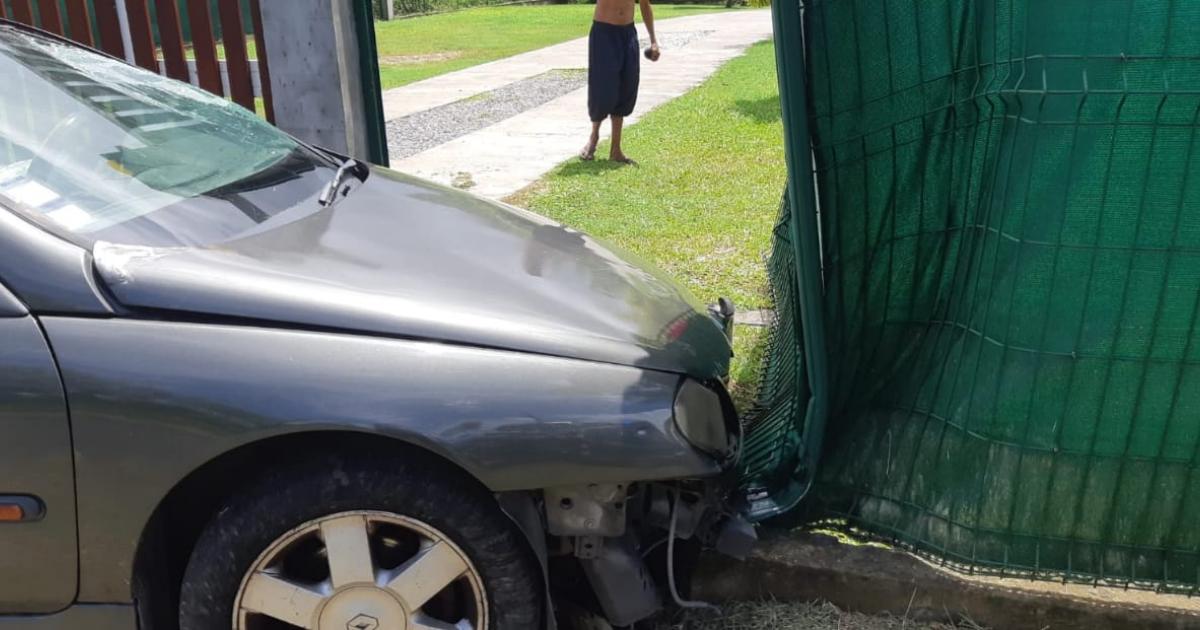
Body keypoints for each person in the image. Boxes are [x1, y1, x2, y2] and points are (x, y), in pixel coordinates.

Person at [580, 0, 659, 164]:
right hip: (604, 32)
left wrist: (653, 40)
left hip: (627, 33)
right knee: (602, 87)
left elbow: (645, 4)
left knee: (626, 86)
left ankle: (616, 149)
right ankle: (594, 137)